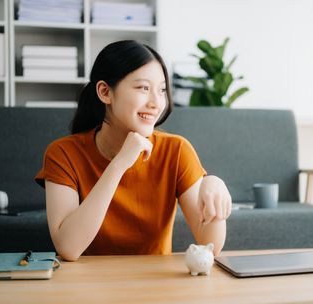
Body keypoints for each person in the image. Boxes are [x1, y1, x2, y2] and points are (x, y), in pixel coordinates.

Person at [35, 40, 232, 261]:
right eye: (143, 88)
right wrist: (119, 164)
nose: (156, 102)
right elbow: (68, 248)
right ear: (105, 92)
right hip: (87, 286)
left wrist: (214, 185)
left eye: (162, 90)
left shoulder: (176, 150)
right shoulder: (62, 154)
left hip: (154, 284)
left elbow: (210, 247)